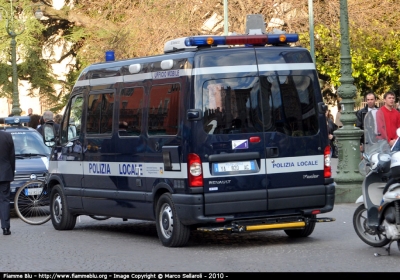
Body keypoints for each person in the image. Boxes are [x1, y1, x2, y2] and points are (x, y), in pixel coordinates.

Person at [0, 130, 16, 235]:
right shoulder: (7, 136)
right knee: (4, 200)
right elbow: (12, 157)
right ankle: (6, 228)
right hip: (4, 173)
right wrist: (11, 171)